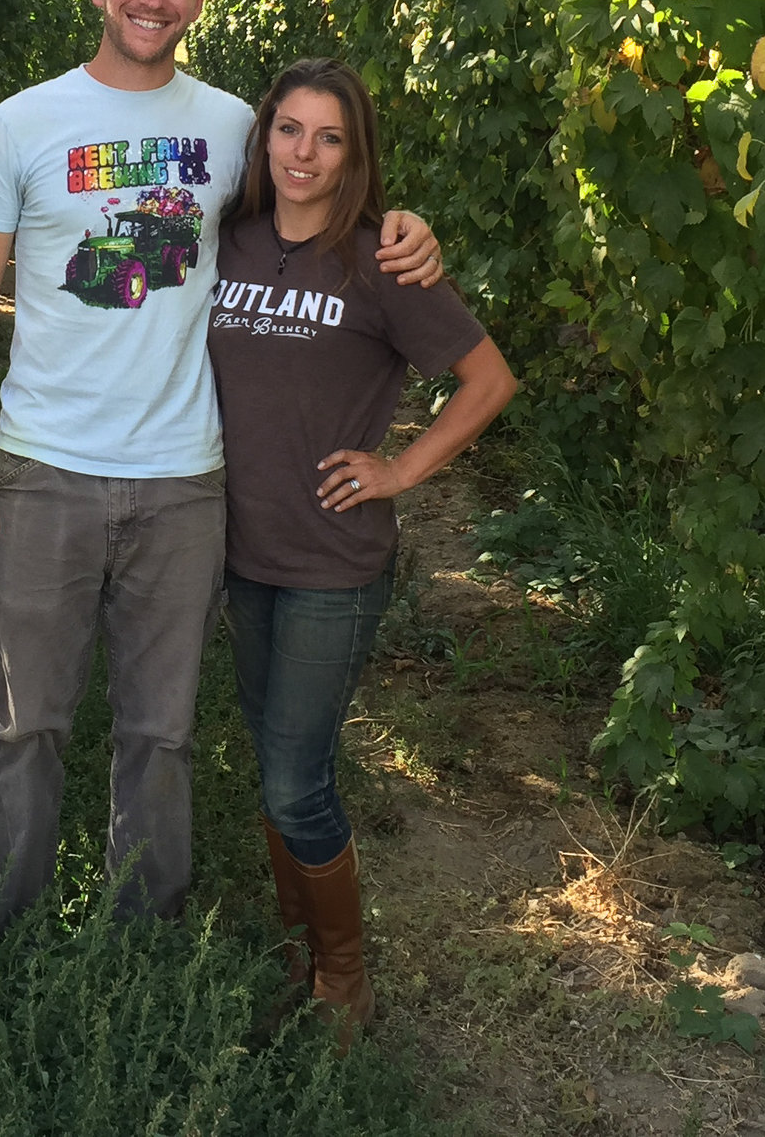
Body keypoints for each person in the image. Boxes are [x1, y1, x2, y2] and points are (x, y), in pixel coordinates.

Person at [0, 0, 444, 932]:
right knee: (25, 725)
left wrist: (408, 227)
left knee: (159, 732)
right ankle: (5, 935)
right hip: (42, 464)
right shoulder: (23, 123)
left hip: (182, 480)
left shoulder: (232, 128)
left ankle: (143, 942)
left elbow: (317, 193)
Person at [207, 57, 515, 1040]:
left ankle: (344, 981)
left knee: (297, 777)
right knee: (269, 763)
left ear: (354, 153)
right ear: (264, 140)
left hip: (333, 564)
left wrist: (398, 469)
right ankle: (297, 956)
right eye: (288, 131)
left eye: (328, 136)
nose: (304, 153)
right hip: (239, 551)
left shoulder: (382, 257)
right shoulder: (231, 241)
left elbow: (487, 379)